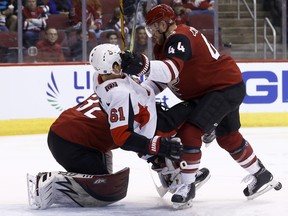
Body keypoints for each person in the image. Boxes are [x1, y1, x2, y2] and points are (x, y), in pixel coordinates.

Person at [120, 4, 282, 209]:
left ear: (163, 24)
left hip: (221, 90)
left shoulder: (178, 38)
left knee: (190, 132)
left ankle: (187, 187)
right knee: (228, 137)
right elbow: (163, 81)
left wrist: (142, 64)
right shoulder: (165, 43)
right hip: (220, 87)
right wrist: (138, 91)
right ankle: (262, 175)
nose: (151, 33)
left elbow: (169, 71)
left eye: (153, 28)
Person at [91, 43, 211, 209]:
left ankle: (168, 170)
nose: (122, 63)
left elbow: (141, 92)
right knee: (202, 105)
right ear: (114, 66)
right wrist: (155, 145)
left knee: (168, 148)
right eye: (119, 61)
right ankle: (178, 175)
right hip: (155, 127)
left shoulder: (101, 78)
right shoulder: (119, 93)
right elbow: (121, 137)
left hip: (149, 118)